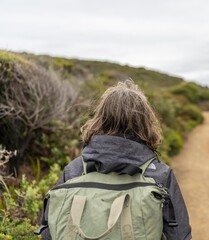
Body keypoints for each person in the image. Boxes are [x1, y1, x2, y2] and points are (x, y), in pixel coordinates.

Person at [41, 80, 192, 240]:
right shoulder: (160, 174)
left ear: (100, 119)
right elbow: (179, 235)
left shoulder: (75, 169)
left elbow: (49, 230)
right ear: (145, 123)